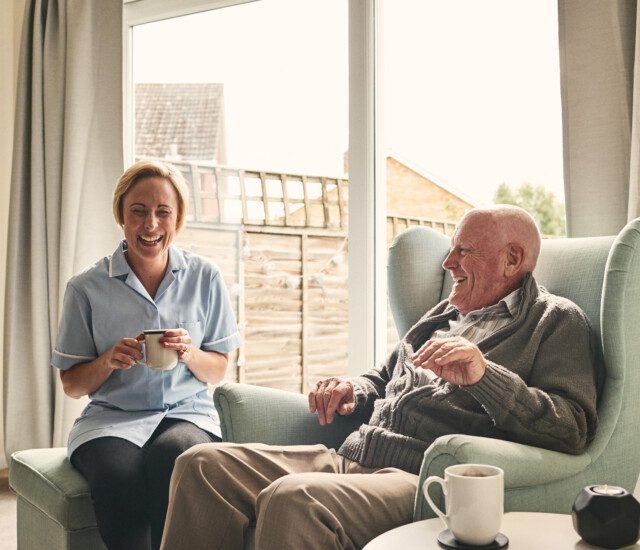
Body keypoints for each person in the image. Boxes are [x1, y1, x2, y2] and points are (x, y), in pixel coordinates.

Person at [159, 205, 598, 550]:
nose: (448, 263)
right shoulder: (445, 313)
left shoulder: (554, 321)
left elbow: (573, 427)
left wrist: (484, 375)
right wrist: (355, 388)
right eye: (451, 249)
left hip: (420, 477)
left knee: (294, 499)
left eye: (465, 251)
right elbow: (386, 373)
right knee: (200, 465)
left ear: (512, 259)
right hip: (353, 456)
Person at [52, 160, 241, 550]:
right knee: (117, 478)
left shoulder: (206, 277)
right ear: (122, 214)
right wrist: (107, 361)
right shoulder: (85, 288)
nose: (150, 224)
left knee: (175, 459)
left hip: (186, 413)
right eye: (138, 211)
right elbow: (71, 384)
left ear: (178, 218)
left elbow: (219, 367)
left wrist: (188, 352)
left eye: (162, 212)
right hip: (111, 419)